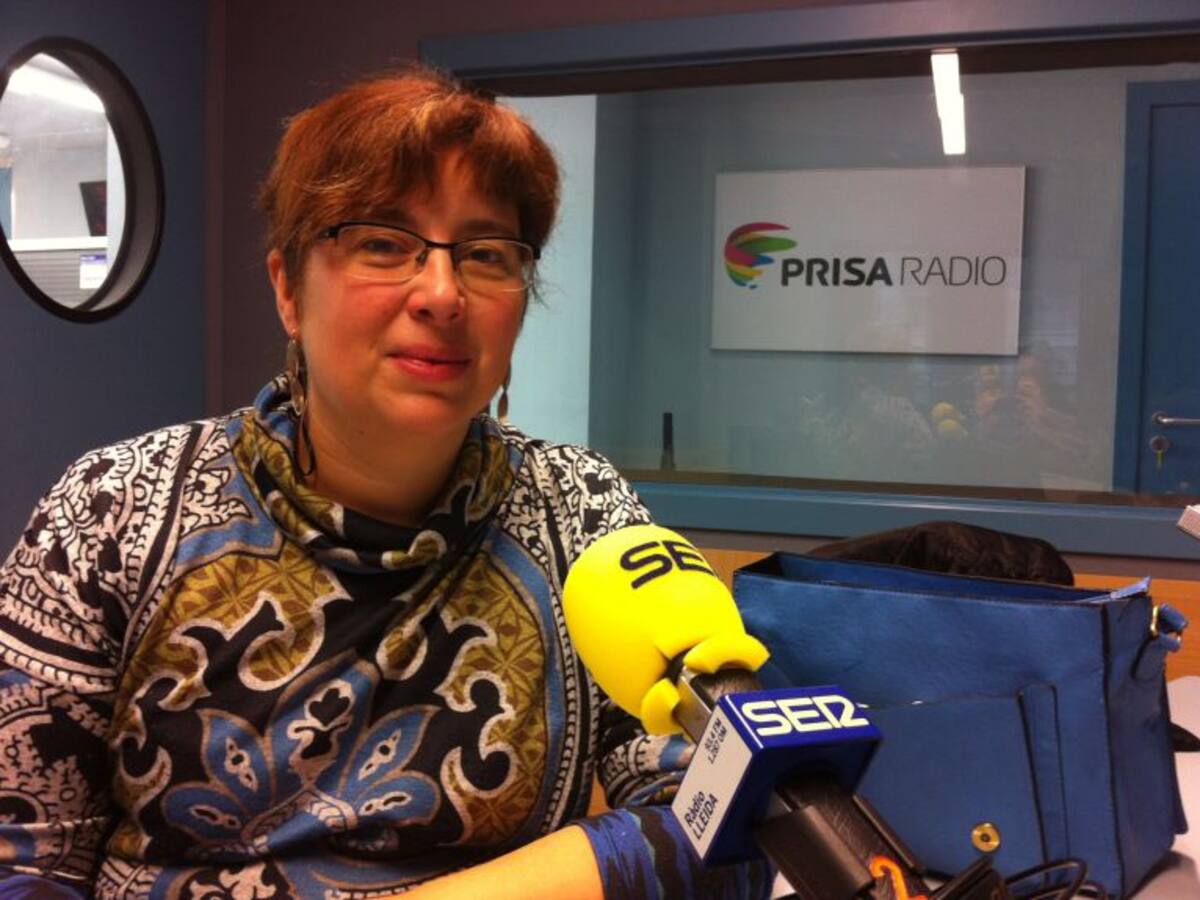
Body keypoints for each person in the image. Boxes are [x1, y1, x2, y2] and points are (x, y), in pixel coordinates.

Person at [0, 67, 773, 899]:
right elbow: (23, 864)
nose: (441, 294)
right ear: (288, 288)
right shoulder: (113, 508)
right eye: (381, 243)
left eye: (485, 254)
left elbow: (729, 815)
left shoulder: (578, 512)